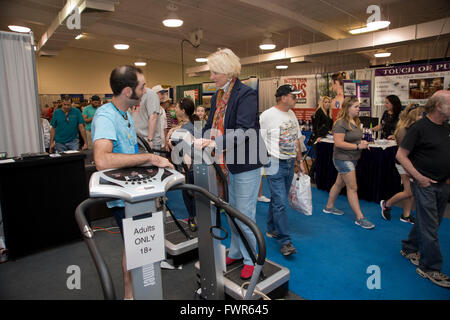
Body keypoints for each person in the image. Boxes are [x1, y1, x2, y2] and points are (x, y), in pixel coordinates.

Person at [91, 65, 173, 300]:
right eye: (142, 86)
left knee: (137, 245)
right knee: (134, 245)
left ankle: (135, 290)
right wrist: (148, 157)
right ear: (128, 91)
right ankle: (129, 294)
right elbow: (102, 159)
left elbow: (128, 154)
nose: (145, 90)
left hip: (137, 193)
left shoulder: (125, 113)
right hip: (122, 199)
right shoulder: (106, 116)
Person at [194, 48, 265, 280]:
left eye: (215, 72)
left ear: (227, 72)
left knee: (244, 213)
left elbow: (244, 131)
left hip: (246, 162)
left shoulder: (246, 95)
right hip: (226, 163)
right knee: (230, 210)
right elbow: (210, 125)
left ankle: (251, 259)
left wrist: (215, 143)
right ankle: (236, 250)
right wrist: (196, 139)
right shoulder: (217, 96)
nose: (211, 77)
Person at [397, 90, 450, 288]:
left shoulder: (446, 126)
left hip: (442, 184)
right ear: (438, 106)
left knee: (431, 223)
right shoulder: (419, 127)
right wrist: (418, 177)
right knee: (430, 227)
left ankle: (410, 246)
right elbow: (401, 156)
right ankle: (430, 267)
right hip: (425, 185)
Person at [260, 84, 305, 256]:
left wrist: (300, 161)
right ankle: (285, 241)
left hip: (289, 162)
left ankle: (271, 228)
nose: (296, 99)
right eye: (293, 96)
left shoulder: (291, 114)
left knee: (279, 199)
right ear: (284, 97)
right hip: (274, 163)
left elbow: (296, 139)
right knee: (280, 202)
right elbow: (260, 141)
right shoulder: (267, 116)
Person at [323, 97, 375, 229]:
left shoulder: (355, 121)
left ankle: (329, 207)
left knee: (339, 183)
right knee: (352, 188)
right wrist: (358, 147)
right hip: (342, 158)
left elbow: (354, 139)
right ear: (348, 108)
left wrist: (361, 143)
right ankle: (360, 218)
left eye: (358, 106)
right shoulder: (340, 123)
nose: (359, 109)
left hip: (353, 158)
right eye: (356, 106)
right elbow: (339, 143)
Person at [380, 104, 424, 224]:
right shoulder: (405, 130)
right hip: (403, 163)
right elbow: (405, 152)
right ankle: (387, 204)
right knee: (409, 192)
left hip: (411, 163)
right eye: (421, 115)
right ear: (415, 117)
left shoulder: (412, 128)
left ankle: (406, 215)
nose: (423, 117)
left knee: (410, 192)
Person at [166, 98, 199, 231]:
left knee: (189, 194)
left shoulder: (183, 130)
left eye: (177, 107)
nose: (175, 109)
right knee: (196, 194)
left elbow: (184, 152)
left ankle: (193, 218)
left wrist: (185, 172)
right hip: (198, 166)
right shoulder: (194, 124)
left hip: (188, 167)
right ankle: (196, 217)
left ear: (183, 110)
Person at [309, 96, 334, 182]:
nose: (327, 104)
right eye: (325, 102)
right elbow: (315, 127)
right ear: (322, 103)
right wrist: (318, 136)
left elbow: (331, 126)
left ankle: (319, 175)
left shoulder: (329, 113)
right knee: (318, 157)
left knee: (322, 157)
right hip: (318, 138)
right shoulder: (319, 112)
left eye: (328, 102)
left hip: (326, 138)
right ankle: (311, 174)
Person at [132, 85, 163, 151]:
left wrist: (150, 139)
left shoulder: (150, 94)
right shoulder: (135, 95)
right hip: (138, 140)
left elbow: (153, 117)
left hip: (148, 141)